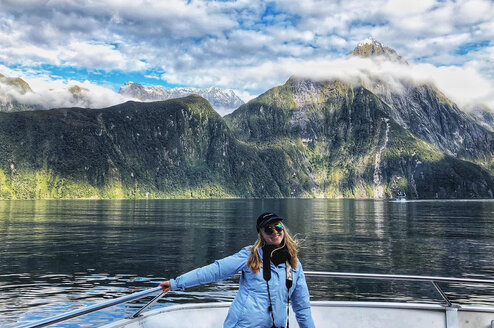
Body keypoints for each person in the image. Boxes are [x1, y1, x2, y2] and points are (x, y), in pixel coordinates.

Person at [159, 212, 315, 328]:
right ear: (261, 234)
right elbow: (216, 270)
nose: (275, 231)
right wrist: (176, 283)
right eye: (268, 229)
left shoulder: (294, 265)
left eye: (278, 226)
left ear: (283, 229)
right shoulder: (250, 255)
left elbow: (302, 307)